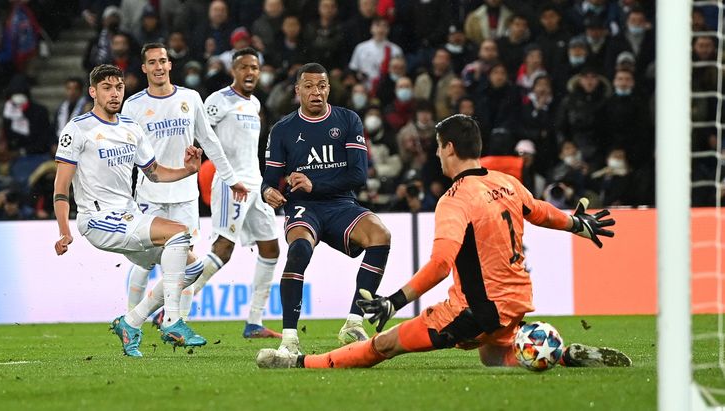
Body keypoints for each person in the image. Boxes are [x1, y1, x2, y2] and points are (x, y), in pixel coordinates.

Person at [256, 114, 632, 369]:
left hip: (474, 312)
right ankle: (564, 355)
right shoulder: (505, 181)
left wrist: (394, 301)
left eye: (438, 146)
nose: (436, 153)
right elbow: (540, 211)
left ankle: (299, 362)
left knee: (382, 346)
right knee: (491, 355)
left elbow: (440, 264)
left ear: (449, 147)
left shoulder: (455, 199)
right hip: (516, 303)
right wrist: (576, 224)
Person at [53, 64, 231, 357]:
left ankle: (131, 322)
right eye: (107, 88)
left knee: (193, 267)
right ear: (93, 92)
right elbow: (61, 187)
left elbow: (155, 172)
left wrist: (187, 170)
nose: (114, 94)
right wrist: (64, 230)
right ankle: (173, 321)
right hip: (98, 219)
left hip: (128, 215)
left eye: (119, 87)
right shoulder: (78, 129)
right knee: (179, 233)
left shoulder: (130, 127)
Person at [261, 62, 392, 353]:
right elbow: (268, 182)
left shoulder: (348, 120)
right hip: (303, 208)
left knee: (381, 235)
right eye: (308, 86)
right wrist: (268, 192)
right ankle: (290, 340)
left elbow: (358, 175)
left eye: (321, 86)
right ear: (298, 91)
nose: (316, 92)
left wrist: (314, 183)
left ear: (329, 89)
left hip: (341, 203)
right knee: (299, 251)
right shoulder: (282, 130)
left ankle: (354, 322)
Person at [120, 43, 248, 324]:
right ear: (144, 68)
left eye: (162, 61)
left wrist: (231, 179)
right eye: (152, 62)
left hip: (184, 196)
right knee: (146, 260)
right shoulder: (133, 105)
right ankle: (131, 322)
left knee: (188, 260)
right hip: (149, 194)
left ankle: (177, 323)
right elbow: (124, 153)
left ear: (170, 65)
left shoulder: (190, 98)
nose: (158, 67)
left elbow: (210, 142)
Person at [183, 47, 282, 339]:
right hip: (231, 185)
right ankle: (176, 310)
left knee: (271, 248)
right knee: (223, 249)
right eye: (244, 67)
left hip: (255, 186)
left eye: (255, 67)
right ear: (233, 71)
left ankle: (253, 323)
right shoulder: (219, 100)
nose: (250, 72)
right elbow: (198, 132)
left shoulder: (255, 104)